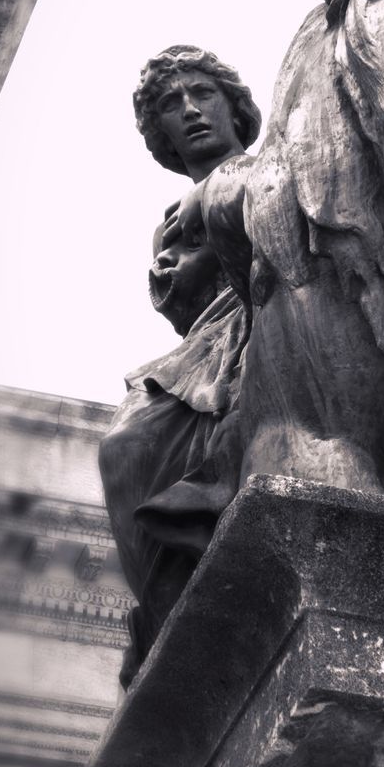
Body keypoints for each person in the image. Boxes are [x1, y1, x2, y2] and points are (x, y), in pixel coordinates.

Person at [99, 46, 260, 688]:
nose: (191, 110)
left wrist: (217, 211)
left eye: (203, 93)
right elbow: (177, 304)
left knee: (139, 433)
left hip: (271, 302)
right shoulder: (170, 221)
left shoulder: (274, 163)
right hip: (211, 338)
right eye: (171, 104)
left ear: (233, 104)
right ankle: (169, 607)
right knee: (125, 443)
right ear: (159, 132)